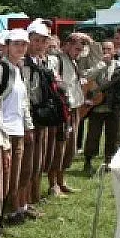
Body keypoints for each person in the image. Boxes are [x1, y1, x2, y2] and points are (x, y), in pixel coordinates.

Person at [0, 28, 32, 226]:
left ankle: (4, 215)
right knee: (2, 180)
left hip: (17, 130)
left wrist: (28, 125)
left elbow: (23, 102)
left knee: (13, 178)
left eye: (23, 44)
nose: (20, 47)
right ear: (7, 46)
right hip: (3, 132)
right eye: (16, 44)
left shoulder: (18, 69)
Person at [48, 32, 101, 197]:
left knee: (69, 148)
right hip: (63, 109)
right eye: (76, 48)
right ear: (67, 45)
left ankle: (62, 181)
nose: (79, 52)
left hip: (75, 108)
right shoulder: (57, 59)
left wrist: (90, 42)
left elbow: (96, 58)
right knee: (59, 147)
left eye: (80, 49)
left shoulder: (73, 61)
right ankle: (53, 184)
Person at [19, 20, 55, 217]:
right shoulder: (23, 64)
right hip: (29, 117)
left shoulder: (43, 61)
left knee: (37, 162)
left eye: (43, 41)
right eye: (36, 40)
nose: (39, 44)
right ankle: (20, 204)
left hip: (42, 115)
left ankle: (31, 199)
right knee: (27, 164)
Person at [82, 41, 120, 173]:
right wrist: (101, 65)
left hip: (114, 106)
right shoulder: (96, 66)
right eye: (103, 49)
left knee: (113, 134)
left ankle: (109, 160)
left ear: (114, 51)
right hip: (96, 107)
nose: (106, 51)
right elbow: (87, 77)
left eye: (109, 49)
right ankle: (88, 160)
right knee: (93, 134)